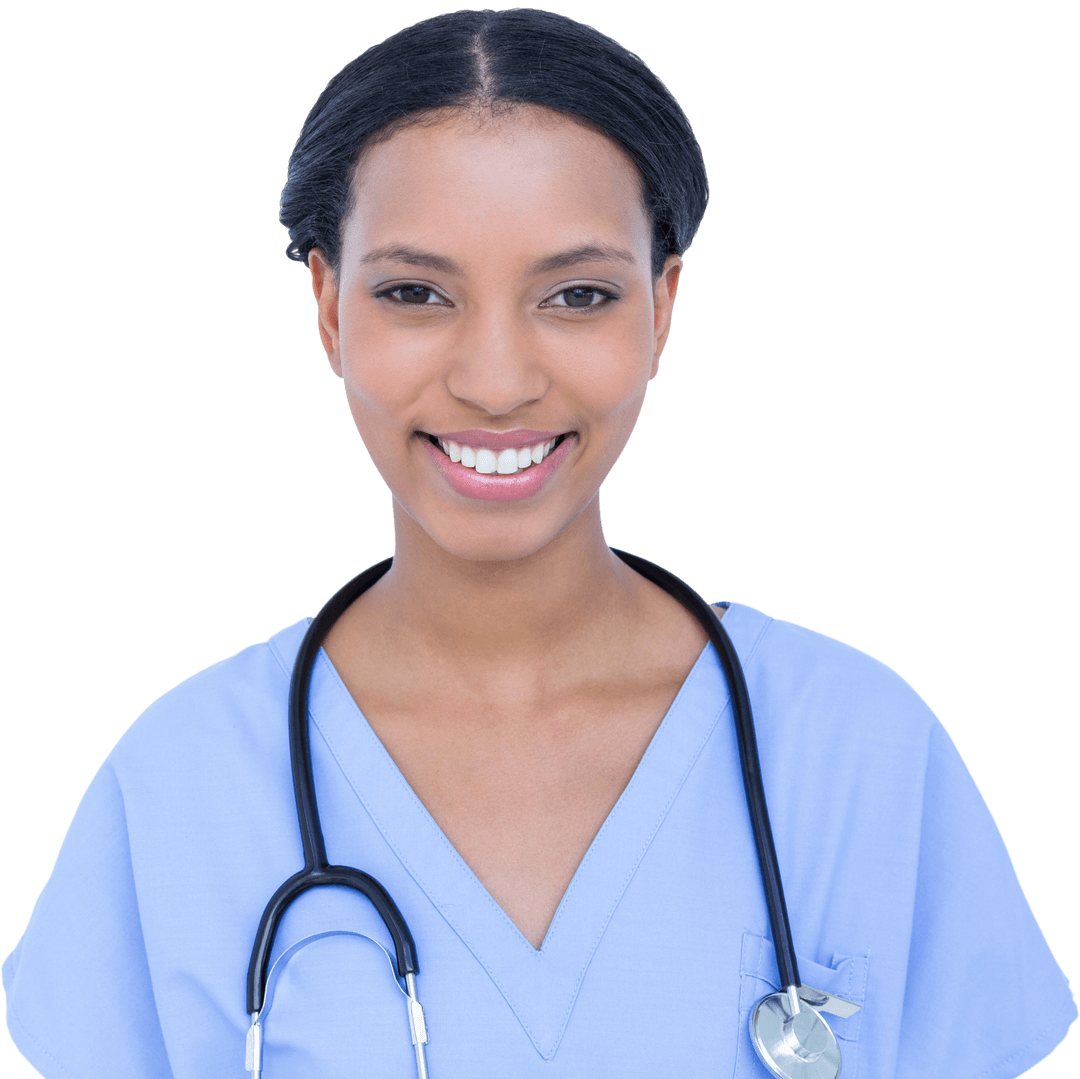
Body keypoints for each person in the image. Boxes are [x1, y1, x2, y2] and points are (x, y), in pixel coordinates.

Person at [2, 8, 1075, 1078]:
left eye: (578, 294)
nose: (498, 380)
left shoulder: (858, 753)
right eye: (416, 293)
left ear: (662, 308)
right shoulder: (179, 786)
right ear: (329, 309)